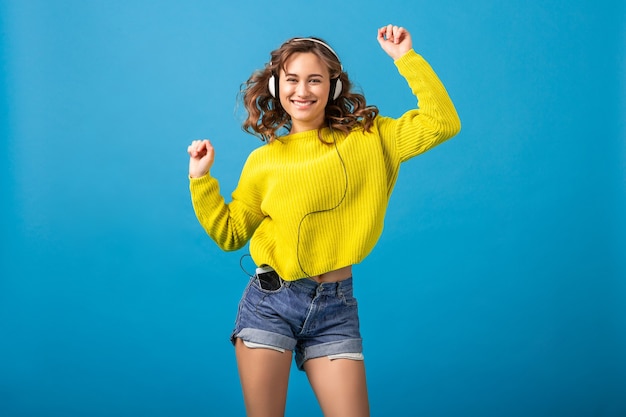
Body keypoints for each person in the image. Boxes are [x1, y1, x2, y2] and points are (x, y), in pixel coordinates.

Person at [187, 24, 460, 417]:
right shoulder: (263, 161)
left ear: (332, 87)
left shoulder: (371, 138)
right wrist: (201, 180)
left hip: (336, 307)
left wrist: (405, 58)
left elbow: (442, 122)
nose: (302, 91)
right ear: (277, 86)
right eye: (292, 80)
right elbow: (229, 235)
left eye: (314, 80)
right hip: (271, 301)